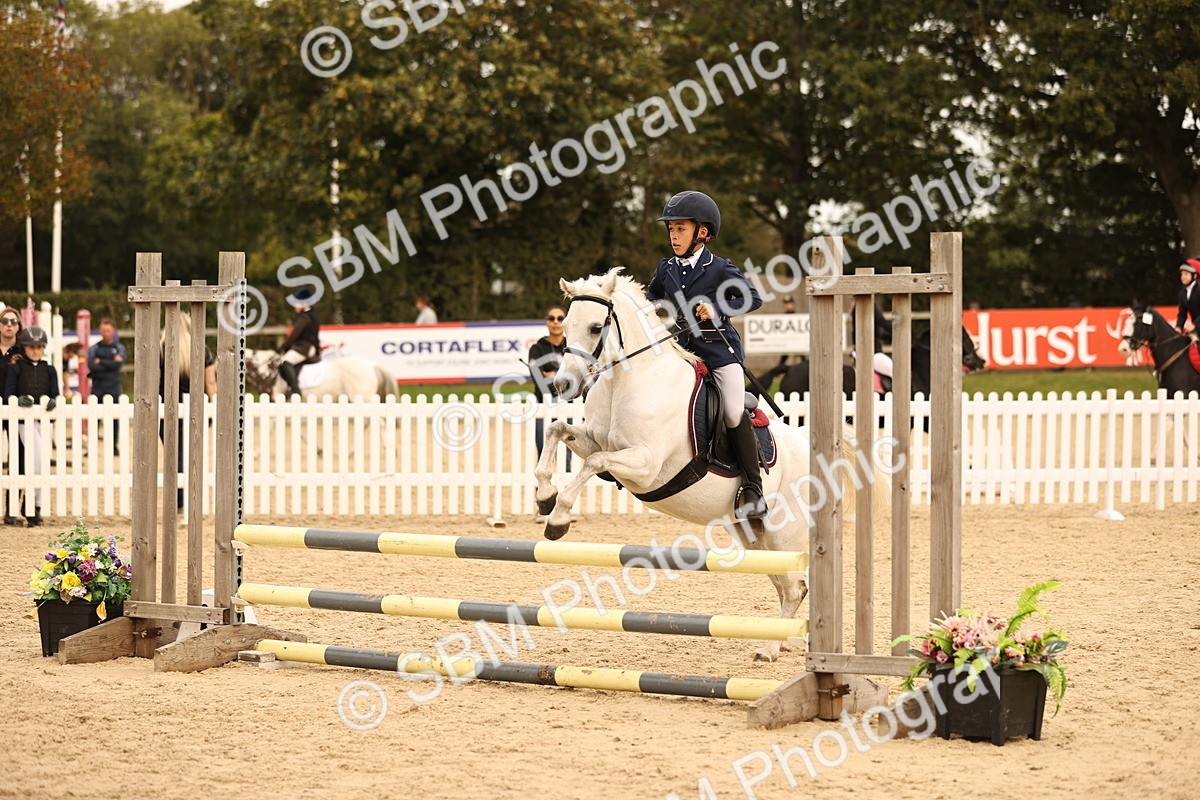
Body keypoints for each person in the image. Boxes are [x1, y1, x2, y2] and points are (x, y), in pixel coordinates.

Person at [645, 190, 765, 520]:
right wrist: (651, 308)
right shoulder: (666, 268)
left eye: (680, 229)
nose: (673, 236)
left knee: (732, 412)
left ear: (703, 232)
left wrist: (717, 307)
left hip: (719, 353)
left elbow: (752, 298)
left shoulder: (721, 268)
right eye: (671, 229)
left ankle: (753, 488)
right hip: (682, 353)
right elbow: (650, 296)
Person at [3, 326, 58, 525]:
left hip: (45, 421)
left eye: (39, 347)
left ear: (43, 348)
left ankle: (34, 505)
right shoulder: (16, 368)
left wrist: (54, 401)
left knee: (43, 462)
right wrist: (17, 400)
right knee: (36, 460)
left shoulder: (49, 369)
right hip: (23, 422)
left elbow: (55, 394)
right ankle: (30, 506)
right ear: (25, 348)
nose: (35, 350)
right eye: (31, 347)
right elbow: (8, 394)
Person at [160, 314, 216, 509]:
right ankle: (187, 497)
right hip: (195, 408)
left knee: (172, 455)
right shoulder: (202, 349)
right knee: (189, 454)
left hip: (167, 409)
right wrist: (213, 405)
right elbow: (210, 382)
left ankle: (178, 498)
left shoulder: (162, 349)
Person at [528, 306, 572, 471]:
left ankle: (565, 486)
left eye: (560, 318)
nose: (556, 322)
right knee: (544, 455)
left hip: (569, 408)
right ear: (546, 321)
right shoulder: (537, 349)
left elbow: (581, 377)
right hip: (543, 406)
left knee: (567, 457)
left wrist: (550, 373)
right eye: (551, 318)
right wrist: (564, 375)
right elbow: (538, 378)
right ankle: (543, 486)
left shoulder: (573, 346)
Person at [88, 318, 125, 455]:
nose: (106, 333)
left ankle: (114, 446)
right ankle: (91, 448)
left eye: (108, 331)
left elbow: (118, 365)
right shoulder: (94, 348)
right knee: (94, 418)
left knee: (114, 418)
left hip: (113, 387)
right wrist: (110, 362)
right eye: (103, 330)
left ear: (113, 331)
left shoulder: (119, 348)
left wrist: (101, 361)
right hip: (98, 386)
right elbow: (91, 365)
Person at [279, 288, 320, 399]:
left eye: (297, 303)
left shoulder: (305, 317)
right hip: (308, 347)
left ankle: (295, 390)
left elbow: (294, 334)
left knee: (285, 362)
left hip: (304, 347)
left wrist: (283, 347)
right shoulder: (312, 315)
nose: (295, 306)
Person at [1175, 259, 1200, 337]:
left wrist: (1194, 324)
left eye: (1186, 274)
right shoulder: (1182, 293)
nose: (1182, 277)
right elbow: (1182, 314)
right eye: (1182, 274)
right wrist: (1178, 327)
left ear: (1194, 276)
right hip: (1196, 329)